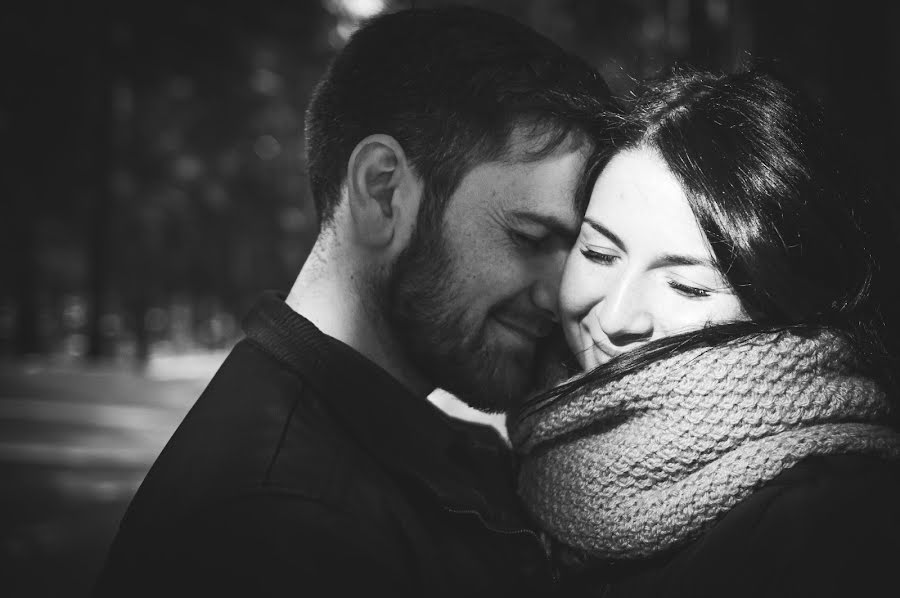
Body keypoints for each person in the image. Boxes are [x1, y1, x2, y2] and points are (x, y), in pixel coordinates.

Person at [93, 6, 613, 598]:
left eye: (573, 253)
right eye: (529, 237)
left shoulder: (399, 454)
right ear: (384, 192)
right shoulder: (279, 528)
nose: (559, 293)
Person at [509, 68, 900, 597]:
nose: (617, 316)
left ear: (786, 308)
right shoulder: (528, 482)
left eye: (688, 287)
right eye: (599, 253)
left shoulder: (834, 530)